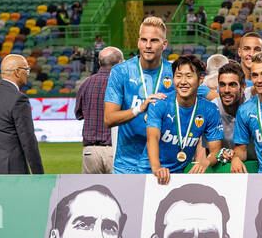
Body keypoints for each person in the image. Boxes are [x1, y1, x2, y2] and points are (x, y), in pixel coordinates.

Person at [104, 17, 175, 175]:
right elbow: (109, 119)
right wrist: (140, 109)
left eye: (154, 40)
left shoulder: (176, 73)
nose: (148, 45)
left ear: (164, 44)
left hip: (165, 164)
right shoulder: (120, 72)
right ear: (138, 42)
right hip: (127, 165)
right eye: (144, 40)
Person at [146, 55, 223, 185]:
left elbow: (216, 150)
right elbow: (152, 138)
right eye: (178, 76)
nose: (183, 81)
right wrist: (157, 168)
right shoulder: (159, 104)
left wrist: (205, 162)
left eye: (189, 76)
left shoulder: (210, 109)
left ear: (200, 80)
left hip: (182, 176)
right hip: (150, 174)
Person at [0, 53, 44, 175]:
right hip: (11, 171)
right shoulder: (19, 99)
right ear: (18, 72)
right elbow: (28, 141)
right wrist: (39, 174)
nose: (27, 74)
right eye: (26, 70)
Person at [75, 46, 123, 174]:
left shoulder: (86, 83)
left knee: (90, 193)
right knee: (122, 192)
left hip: (91, 151)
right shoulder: (123, 84)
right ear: (120, 63)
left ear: (99, 63)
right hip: (116, 150)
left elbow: (78, 114)